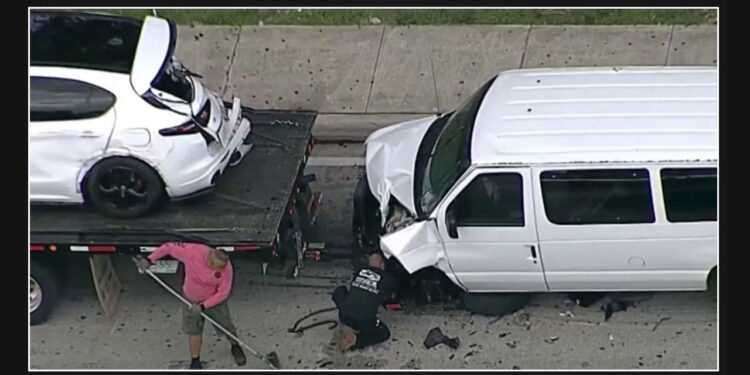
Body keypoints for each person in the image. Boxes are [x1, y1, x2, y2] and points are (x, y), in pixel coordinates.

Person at [137, 242, 246, 370]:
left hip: (214, 302)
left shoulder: (226, 268)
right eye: (217, 268)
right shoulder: (193, 252)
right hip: (191, 300)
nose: (220, 271)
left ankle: (235, 346)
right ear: (209, 261)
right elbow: (169, 248)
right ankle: (195, 360)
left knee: (227, 326)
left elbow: (223, 292)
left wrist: (204, 306)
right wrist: (150, 259)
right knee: (194, 330)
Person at [332, 252, 397, 351]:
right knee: (384, 333)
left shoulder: (360, 271)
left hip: (344, 315)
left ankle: (349, 311)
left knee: (341, 290)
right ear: (382, 264)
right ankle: (356, 340)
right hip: (362, 321)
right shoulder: (387, 278)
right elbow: (389, 297)